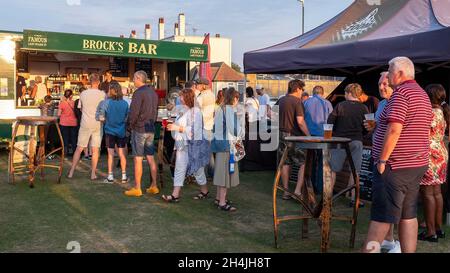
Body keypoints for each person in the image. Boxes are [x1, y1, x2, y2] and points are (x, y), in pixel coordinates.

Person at [363, 57, 432, 253]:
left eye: (390, 70)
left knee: (381, 216)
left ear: (400, 73)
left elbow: (394, 129)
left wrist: (383, 160)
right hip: (416, 164)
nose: (388, 73)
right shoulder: (421, 93)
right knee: (408, 214)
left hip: (395, 165)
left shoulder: (401, 93)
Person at [364, 72, 400, 253]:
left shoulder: (399, 103)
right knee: (385, 203)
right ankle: (389, 239)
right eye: (379, 84)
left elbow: (395, 131)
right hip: (378, 158)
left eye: (385, 84)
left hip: (390, 162)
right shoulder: (383, 104)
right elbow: (381, 127)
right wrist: (373, 127)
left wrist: (383, 160)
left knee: (389, 204)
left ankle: (395, 244)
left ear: (394, 83)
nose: (381, 87)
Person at [162, 88, 209, 203]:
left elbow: (195, 131)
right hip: (181, 145)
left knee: (198, 170)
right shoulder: (183, 109)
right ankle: (175, 195)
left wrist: (178, 128)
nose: (180, 98)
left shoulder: (196, 112)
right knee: (179, 168)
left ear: (188, 97)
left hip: (193, 146)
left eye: (182, 96)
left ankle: (204, 191)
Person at [327, 83, 369, 206]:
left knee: (333, 170)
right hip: (356, 141)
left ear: (349, 93)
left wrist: (332, 135)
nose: (344, 95)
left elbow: (330, 122)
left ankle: (328, 198)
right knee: (355, 171)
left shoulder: (340, 106)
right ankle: (354, 199)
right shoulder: (364, 108)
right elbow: (368, 127)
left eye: (345, 93)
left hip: (340, 141)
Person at [418, 84, 449, 242]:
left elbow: (419, 132)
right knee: (437, 193)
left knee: (427, 193)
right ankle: (438, 228)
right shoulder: (441, 111)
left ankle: (431, 232)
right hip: (441, 152)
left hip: (430, 153)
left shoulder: (429, 112)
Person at [125, 71, 159, 197]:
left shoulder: (138, 93)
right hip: (150, 128)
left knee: (138, 158)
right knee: (150, 157)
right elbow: (155, 111)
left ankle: (137, 187)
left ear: (139, 78)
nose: (133, 81)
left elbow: (133, 113)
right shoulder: (153, 92)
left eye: (134, 78)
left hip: (140, 129)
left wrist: (130, 126)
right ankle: (154, 185)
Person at [67, 73, 106, 180]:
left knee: (79, 148)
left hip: (85, 122)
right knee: (95, 150)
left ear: (89, 81)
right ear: (99, 82)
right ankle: (93, 173)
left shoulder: (83, 94)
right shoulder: (102, 94)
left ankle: (71, 172)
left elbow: (80, 108)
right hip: (98, 123)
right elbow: (105, 109)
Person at [211, 88, 243, 211]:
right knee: (224, 174)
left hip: (219, 144)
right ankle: (222, 203)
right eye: (237, 98)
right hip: (226, 146)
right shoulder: (228, 110)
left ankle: (219, 198)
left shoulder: (220, 108)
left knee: (221, 173)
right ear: (234, 98)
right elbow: (234, 130)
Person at [278, 80, 310, 200]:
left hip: (281, 134)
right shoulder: (297, 102)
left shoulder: (281, 99)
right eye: (302, 89)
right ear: (297, 89)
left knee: (285, 162)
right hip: (294, 135)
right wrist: (309, 136)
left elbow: (270, 113)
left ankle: (286, 192)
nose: (302, 92)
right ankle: (297, 191)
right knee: (303, 162)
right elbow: (300, 122)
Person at [96, 81, 130, 184]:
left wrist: (106, 120)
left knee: (110, 154)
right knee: (121, 154)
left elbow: (100, 117)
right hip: (121, 131)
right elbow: (127, 118)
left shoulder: (106, 103)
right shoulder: (125, 103)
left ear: (110, 91)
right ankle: (124, 176)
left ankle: (110, 176)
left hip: (110, 131)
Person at [304, 86, 333, 194]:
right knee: (322, 163)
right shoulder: (327, 103)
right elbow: (331, 119)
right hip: (323, 136)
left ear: (313, 92)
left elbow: (302, 117)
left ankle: (308, 186)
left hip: (309, 135)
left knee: (309, 162)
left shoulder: (306, 102)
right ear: (323, 92)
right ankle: (320, 188)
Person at [196, 77, 216, 177]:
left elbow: (196, 111)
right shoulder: (212, 94)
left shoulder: (201, 96)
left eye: (198, 84)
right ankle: (212, 173)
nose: (197, 86)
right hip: (210, 125)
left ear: (203, 86)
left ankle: (204, 174)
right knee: (209, 151)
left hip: (203, 126)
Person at [58, 89, 78, 156]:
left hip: (64, 123)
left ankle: (65, 153)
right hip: (73, 122)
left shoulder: (62, 103)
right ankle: (75, 153)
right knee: (74, 138)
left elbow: (58, 114)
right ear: (71, 95)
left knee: (65, 138)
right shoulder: (74, 103)